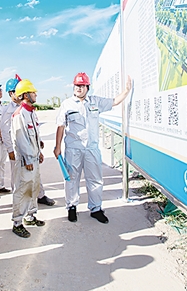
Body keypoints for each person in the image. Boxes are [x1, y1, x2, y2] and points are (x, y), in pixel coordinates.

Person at [53, 72, 132, 223]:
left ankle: (96, 209)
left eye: (82, 86)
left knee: (95, 179)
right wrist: (58, 147)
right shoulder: (67, 104)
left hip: (92, 149)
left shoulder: (96, 102)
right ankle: (71, 207)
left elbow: (114, 101)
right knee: (71, 179)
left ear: (87, 87)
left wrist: (127, 91)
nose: (79, 88)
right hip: (73, 149)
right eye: (77, 85)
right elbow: (60, 126)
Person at [0, 78, 55, 206]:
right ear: (11, 93)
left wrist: (38, 144)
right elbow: (6, 131)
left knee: (35, 177)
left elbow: (33, 129)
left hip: (32, 150)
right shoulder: (9, 111)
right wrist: (10, 149)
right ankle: (20, 204)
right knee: (19, 179)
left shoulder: (29, 109)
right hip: (19, 151)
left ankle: (39, 196)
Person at [10, 79, 45, 238]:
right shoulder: (20, 114)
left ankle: (30, 216)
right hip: (26, 161)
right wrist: (28, 159)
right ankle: (17, 223)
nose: (35, 94)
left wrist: (39, 152)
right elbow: (21, 139)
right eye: (32, 92)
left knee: (34, 188)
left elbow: (34, 136)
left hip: (34, 158)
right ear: (25, 95)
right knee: (22, 190)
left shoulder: (31, 112)